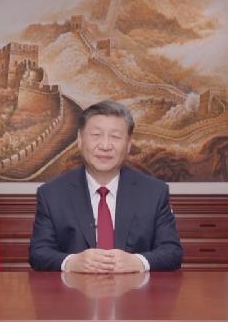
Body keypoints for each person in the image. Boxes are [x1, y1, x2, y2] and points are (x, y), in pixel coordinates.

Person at [29, 100, 183, 273]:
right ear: (80, 139)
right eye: (96, 135)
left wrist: (138, 262)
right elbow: (38, 253)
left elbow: (172, 252)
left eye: (115, 137)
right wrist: (71, 262)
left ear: (128, 145)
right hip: (73, 289)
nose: (105, 146)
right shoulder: (52, 194)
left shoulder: (154, 192)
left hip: (135, 289)